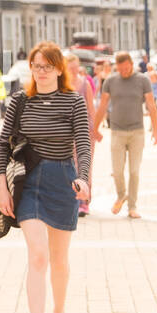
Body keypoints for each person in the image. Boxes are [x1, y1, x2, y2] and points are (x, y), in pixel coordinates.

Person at [0, 42, 91, 313]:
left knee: (59, 259)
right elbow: (1, 147)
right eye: (36, 66)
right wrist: (1, 188)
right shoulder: (20, 101)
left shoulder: (73, 102)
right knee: (38, 255)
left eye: (47, 66)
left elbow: (83, 144)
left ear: (60, 69)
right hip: (29, 181)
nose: (41, 71)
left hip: (63, 180)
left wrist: (83, 178)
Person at [93, 51, 157, 219]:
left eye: (126, 68)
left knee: (134, 171)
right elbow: (102, 106)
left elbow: (151, 105)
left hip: (137, 131)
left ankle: (132, 206)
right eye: (121, 69)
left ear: (131, 64)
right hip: (117, 131)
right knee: (117, 170)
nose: (124, 71)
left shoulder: (143, 80)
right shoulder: (110, 81)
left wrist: (156, 129)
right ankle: (121, 195)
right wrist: (95, 129)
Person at [64, 51, 99, 217]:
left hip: (85, 132)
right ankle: (73, 199)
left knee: (84, 165)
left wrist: (95, 129)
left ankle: (84, 201)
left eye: (76, 67)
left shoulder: (84, 84)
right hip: (66, 133)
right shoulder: (61, 85)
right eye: (70, 68)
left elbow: (91, 109)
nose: (73, 70)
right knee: (70, 166)